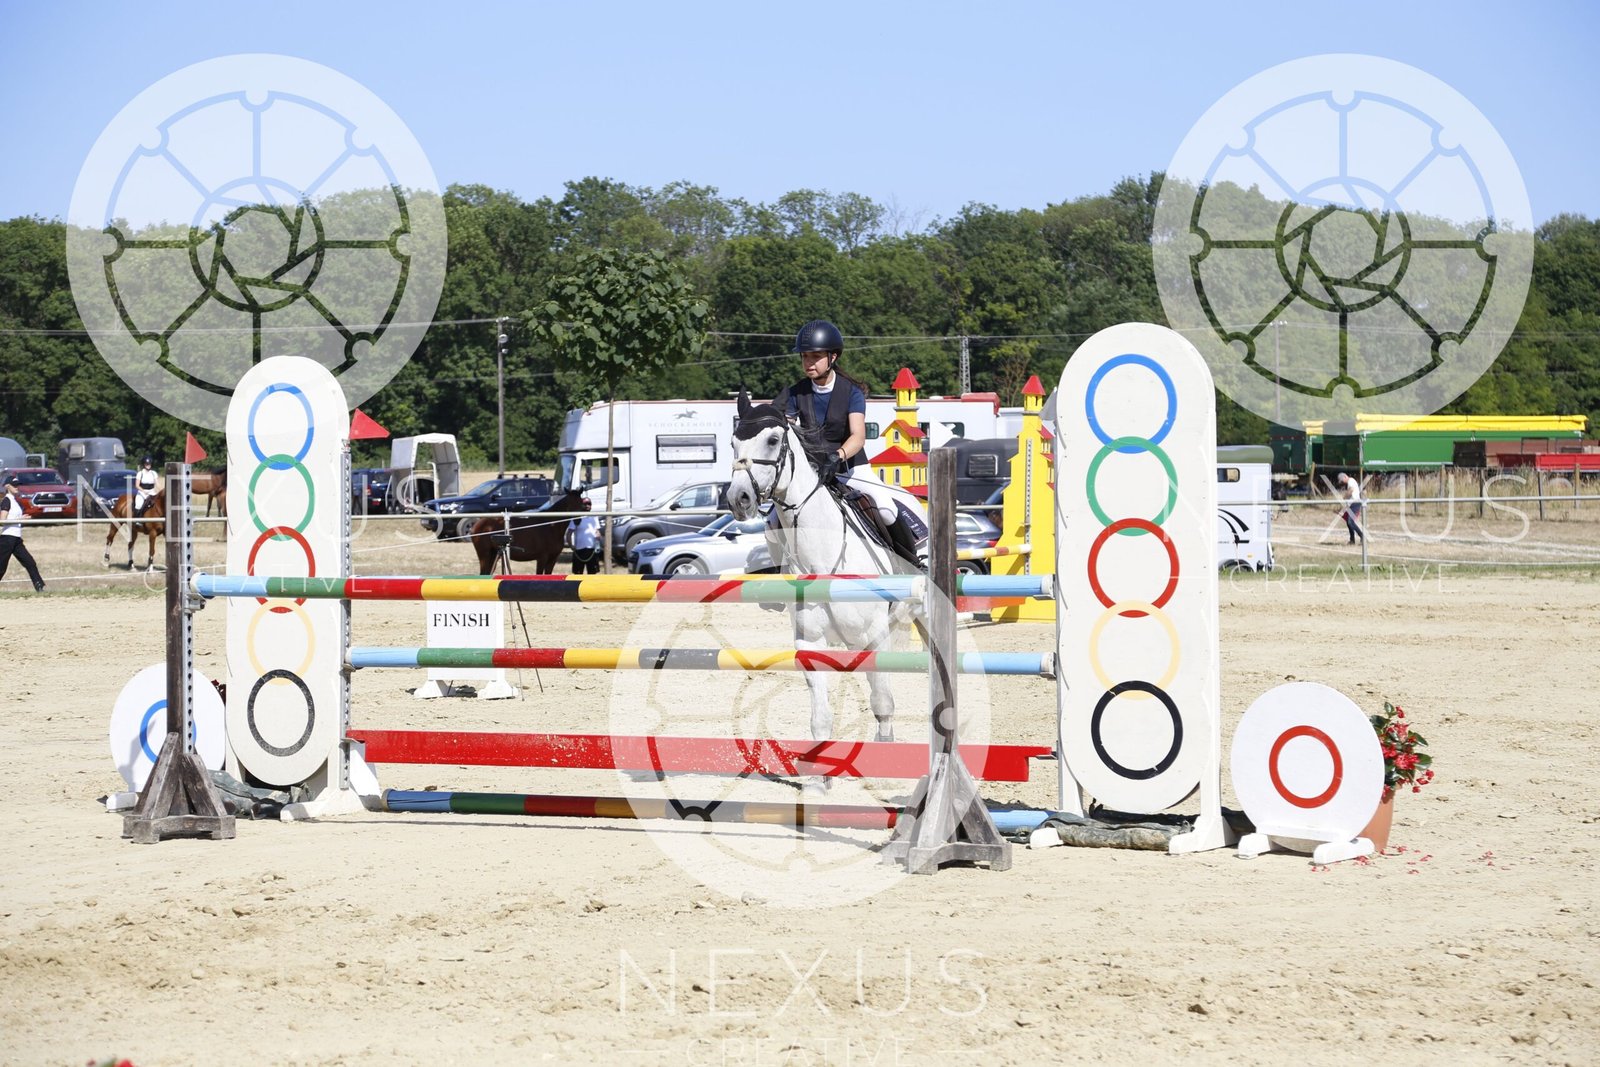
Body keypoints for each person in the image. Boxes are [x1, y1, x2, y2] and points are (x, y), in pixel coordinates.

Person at [772, 320, 927, 565]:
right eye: (805, 357)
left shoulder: (851, 392)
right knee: (772, 518)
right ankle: (778, 571)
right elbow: (787, 430)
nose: (809, 362)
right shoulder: (795, 393)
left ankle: (911, 562)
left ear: (832, 357)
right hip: (812, 472)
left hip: (851, 468)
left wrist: (837, 456)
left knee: (885, 507)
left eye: (815, 356)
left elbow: (858, 436)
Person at [0, 476, 45, 592]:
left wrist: (22, 518)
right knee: (1, 567)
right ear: (7, 486)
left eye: (17, 485)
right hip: (7, 539)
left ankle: (39, 587)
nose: (16, 487)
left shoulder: (15, 501)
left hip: (16, 539)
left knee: (30, 562)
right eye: (14, 485)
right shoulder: (7, 500)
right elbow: (2, 521)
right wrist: (20, 519)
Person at [567, 496, 601, 574]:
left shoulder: (594, 517)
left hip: (591, 550)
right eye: (585, 504)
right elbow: (569, 533)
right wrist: (571, 545)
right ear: (581, 505)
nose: (587, 506)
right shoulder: (576, 518)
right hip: (579, 550)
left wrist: (598, 537)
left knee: (592, 574)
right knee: (578, 574)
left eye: (589, 504)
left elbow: (597, 531)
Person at [1336, 472, 1365, 545]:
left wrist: (1344, 497)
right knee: (1348, 522)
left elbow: (1351, 490)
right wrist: (1340, 509)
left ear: (1345, 477)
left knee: (1350, 522)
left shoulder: (1351, 481)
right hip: (1351, 504)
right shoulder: (1349, 483)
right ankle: (1352, 540)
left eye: (1342, 481)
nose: (1342, 483)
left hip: (1355, 504)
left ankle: (1362, 536)